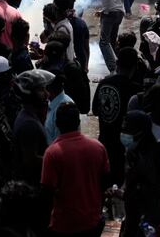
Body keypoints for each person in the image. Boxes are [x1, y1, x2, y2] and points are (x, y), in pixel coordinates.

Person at [41, 102, 109, 237]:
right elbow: (105, 182)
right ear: (78, 122)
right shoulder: (98, 147)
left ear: (57, 123)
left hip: (64, 225)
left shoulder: (52, 153)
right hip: (92, 221)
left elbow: (47, 193)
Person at [121, 110, 160, 236]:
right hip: (137, 220)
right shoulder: (132, 153)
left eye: (128, 129)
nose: (124, 133)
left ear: (141, 131)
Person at [92, 47, 141, 186]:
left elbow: (95, 110)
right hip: (123, 147)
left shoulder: (104, 83)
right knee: (118, 184)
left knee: (103, 181)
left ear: (117, 63)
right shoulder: (135, 90)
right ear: (135, 67)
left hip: (104, 141)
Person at [12, 69, 55, 186]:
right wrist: (57, 159)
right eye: (41, 90)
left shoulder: (29, 116)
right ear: (29, 94)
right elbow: (31, 160)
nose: (47, 94)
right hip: (32, 185)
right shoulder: (29, 124)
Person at [85, 0, 125, 73]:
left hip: (111, 13)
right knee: (112, 41)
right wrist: (102, 11)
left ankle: (113, 69)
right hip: (119, 13)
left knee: (103, 42)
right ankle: (120, 64)